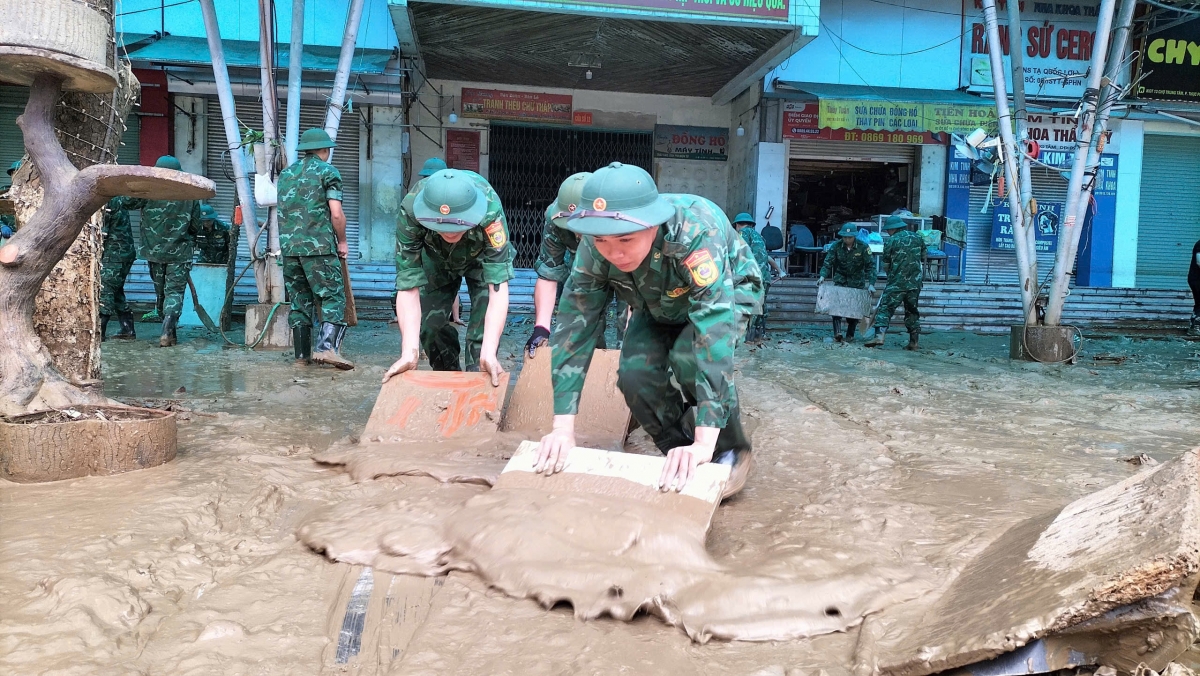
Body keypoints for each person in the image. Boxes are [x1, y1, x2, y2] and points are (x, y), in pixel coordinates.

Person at [534, 162, 763, 498]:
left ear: (653, 224)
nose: (614, 252)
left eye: (626, 238)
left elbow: (713, 333)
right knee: (633, 375)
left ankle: (730, 451)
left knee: (691, 357)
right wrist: (562, 428)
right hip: (655, 300)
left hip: (727, 291)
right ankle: (676, 447)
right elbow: (574, 329)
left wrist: (705, 441)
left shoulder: (695, 232)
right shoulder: (594, 248)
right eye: (602, 241)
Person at [383, 168, 514, 385]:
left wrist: (490, 352)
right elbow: (408, 286)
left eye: (456, 225)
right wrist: (409, 351)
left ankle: (477, 379)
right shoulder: (411, 210)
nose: (450, 232)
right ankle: (447, 378)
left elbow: (498, 288)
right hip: (435, 258)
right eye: (443, 227)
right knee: (429, 327)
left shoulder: (489, 210)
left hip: (481, 258)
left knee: (482, 337)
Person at [526, 172, 629, 357]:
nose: (577, 234)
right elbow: (549, 274)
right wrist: (541, 328)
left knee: (630, 339)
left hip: (626, 270)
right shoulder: (555, 217)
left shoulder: (623, 219)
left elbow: (635, 289)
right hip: (587, 272)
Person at [277, 128, 354, 370]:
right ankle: (326, 349)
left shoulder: (286, 174)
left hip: (290, 250)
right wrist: (342, 241)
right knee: (332, 295)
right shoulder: (328, 172)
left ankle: (301, 357)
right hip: (319, 248)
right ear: (325, 150)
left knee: (300, 301)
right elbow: (337, 214)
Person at [137, 155, 202, 347]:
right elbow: (195, 226)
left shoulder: (148, 191)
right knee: (174, 292)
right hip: (180, 253)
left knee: (162, 293)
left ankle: (168, 331)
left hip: (154, 253)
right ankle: (167, 332)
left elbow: (125, 203)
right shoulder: (190, 195)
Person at [388, 157, 448, 324]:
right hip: (424, 254)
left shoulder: (413, 197)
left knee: (413, 290)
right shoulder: (416, 200)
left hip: (420, 255)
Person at [864, 215, 926, 350]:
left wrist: (891, 275)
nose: (887, 232)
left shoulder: (891, 241)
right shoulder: (918, 238)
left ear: (894, 229)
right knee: (912, 310)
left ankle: (879, 336)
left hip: (896, 283)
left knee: (885, 308)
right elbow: (923, 257)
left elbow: (886, 265)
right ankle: (914, 342)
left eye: (888, 230)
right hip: (915, 283)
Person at [818, 223, 875, 342]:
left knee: (854, 310)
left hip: (856, 281)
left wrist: (871, 284)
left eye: (849, 237)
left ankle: (850, 334)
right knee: (836, 307)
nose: (847, 240)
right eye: (845, 237)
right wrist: (823, 276)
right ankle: (837, 332)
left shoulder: (863, 247)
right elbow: (828, 262)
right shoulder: (836, 246)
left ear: (854, 236)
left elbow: (870, 267)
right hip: (841, 279)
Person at [99, 197, 139, 341]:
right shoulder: (116, 197)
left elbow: (102, 232)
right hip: (123, 253)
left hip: (115, 254)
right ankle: (127, 329)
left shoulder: (108, 200)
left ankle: (99, 331)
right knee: (116, 291)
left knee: (105, 289)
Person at [732, 212, 771, 343]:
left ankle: (747, 339)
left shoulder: (742, 234)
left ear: (737, 225)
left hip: (751, 276)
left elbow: (738, 254)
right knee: (761, 305)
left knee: (749, 305)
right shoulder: (759, 237)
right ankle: (759, 336)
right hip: (765, 276)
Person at [2, 160, 21, 241]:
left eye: (19, 173)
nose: (15, 175)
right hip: (7, 236)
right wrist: (2, 226)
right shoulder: (4, 192)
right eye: (13, 173)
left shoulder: (36, 193)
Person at [1189, 238, 1200, 337]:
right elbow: (1199, 261)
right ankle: (1196, 325)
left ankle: (1194, 324)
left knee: (1198, 302)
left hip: (1194, 278)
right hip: (1197, 278)